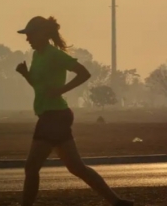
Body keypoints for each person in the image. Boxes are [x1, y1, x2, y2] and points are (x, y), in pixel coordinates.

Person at [15, 16, 133, 206]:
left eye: (30, 34)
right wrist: (26, 74)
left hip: (54, 116)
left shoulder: (55, 55)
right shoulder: (37, 56)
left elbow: (84, 73)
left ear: (43, 34)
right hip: (52, 115)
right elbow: (39, 86)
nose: (27, 39)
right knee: (76, 167)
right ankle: (117, 202)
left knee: (31, 167)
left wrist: (61, 90)